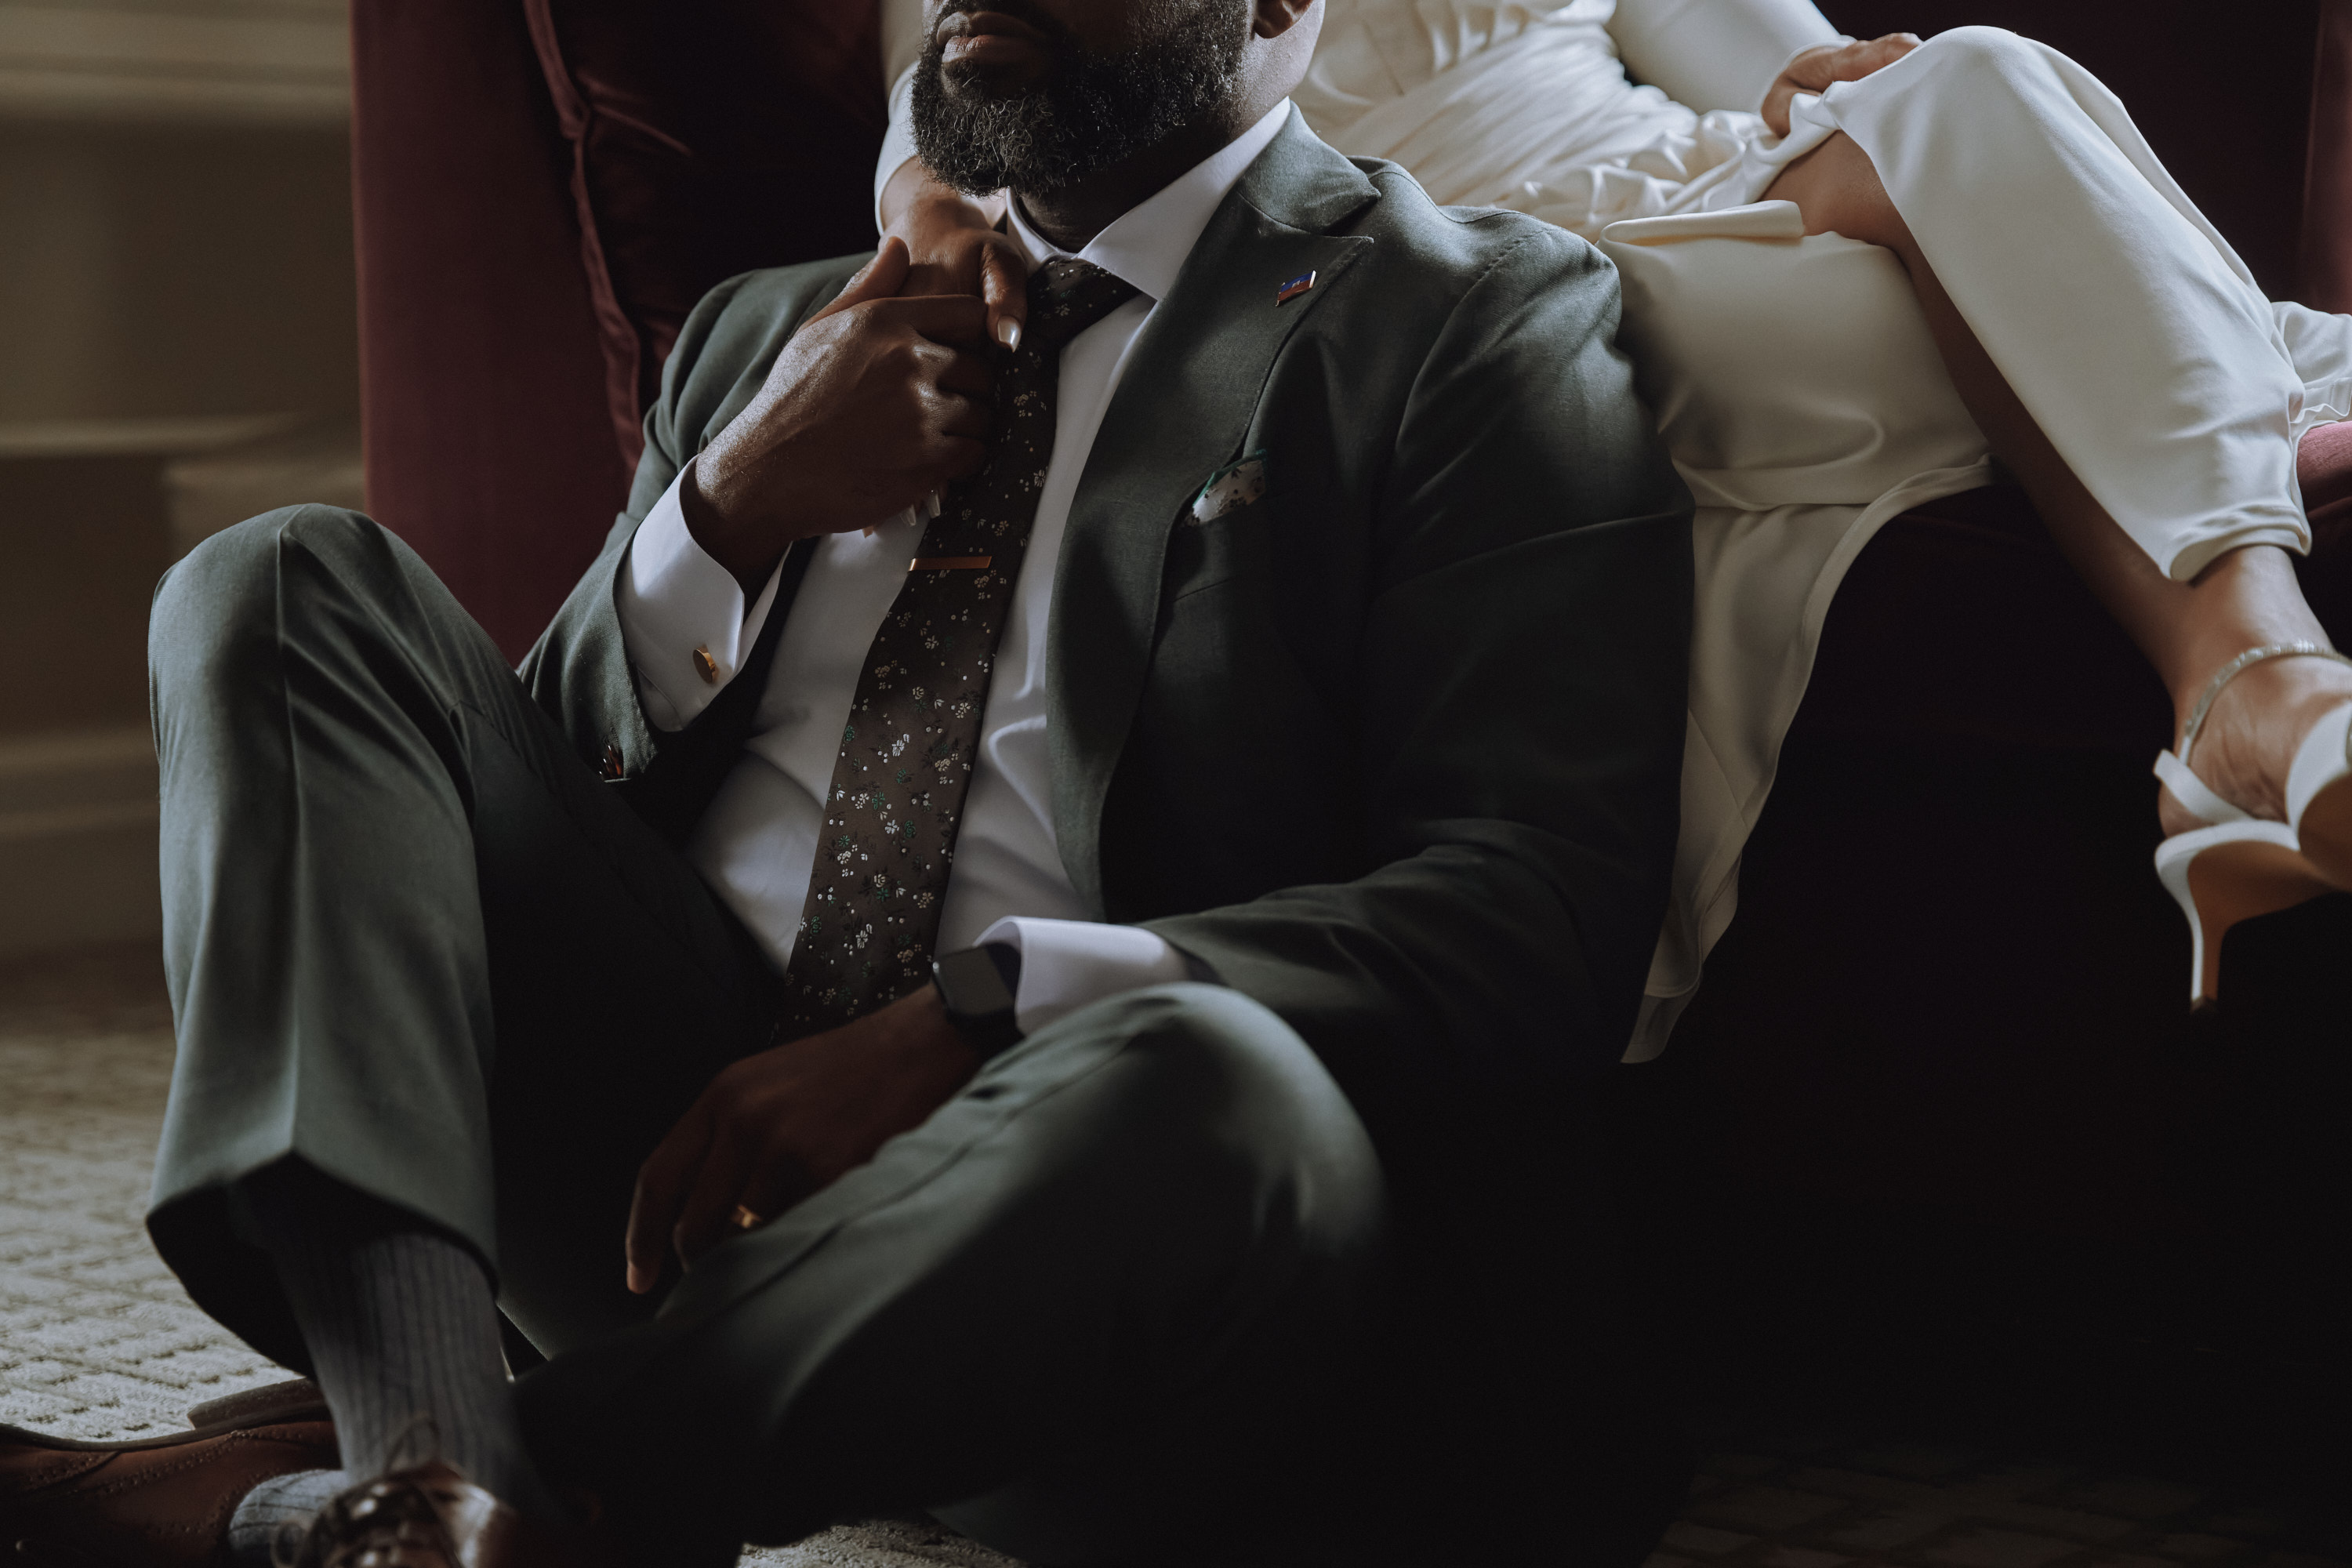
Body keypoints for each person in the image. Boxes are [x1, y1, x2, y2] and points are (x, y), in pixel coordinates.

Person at [0, 0, 1697, 1564]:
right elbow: (447, 836)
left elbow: (1536, 906)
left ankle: (357, 1500)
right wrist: (726, 505)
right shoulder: (774, 329)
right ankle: (431, 1457)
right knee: (280, 579)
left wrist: (979, 1014)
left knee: (1204, 1077)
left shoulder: (1469, 319)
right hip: (662, 1190)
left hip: (1100, 1217)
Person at [875, 0, 2352, 1041]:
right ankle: (2193, 390)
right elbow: (948, 118)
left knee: (1978, 78)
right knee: (1988, 292)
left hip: (1731, 199)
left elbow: (1798, 77)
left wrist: (1840, 86)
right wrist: (928, 208)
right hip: (1483, 296)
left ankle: (2248, 677)